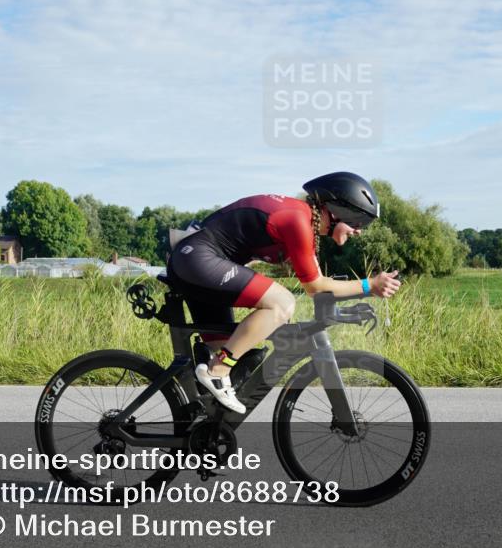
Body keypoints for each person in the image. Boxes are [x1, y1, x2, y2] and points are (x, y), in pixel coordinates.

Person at [165, 172, 401, 413]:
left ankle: (199, 431)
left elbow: (321, 288)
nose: (359, 231)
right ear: (336, 211)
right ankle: (217, 370)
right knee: (281, 303)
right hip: (198, 259)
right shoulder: (297, 220)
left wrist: (351, 306)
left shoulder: (304, 223)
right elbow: (316, 287)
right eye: (357, 222)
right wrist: (369, 285)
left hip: (201, 263)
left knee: (236, 355)